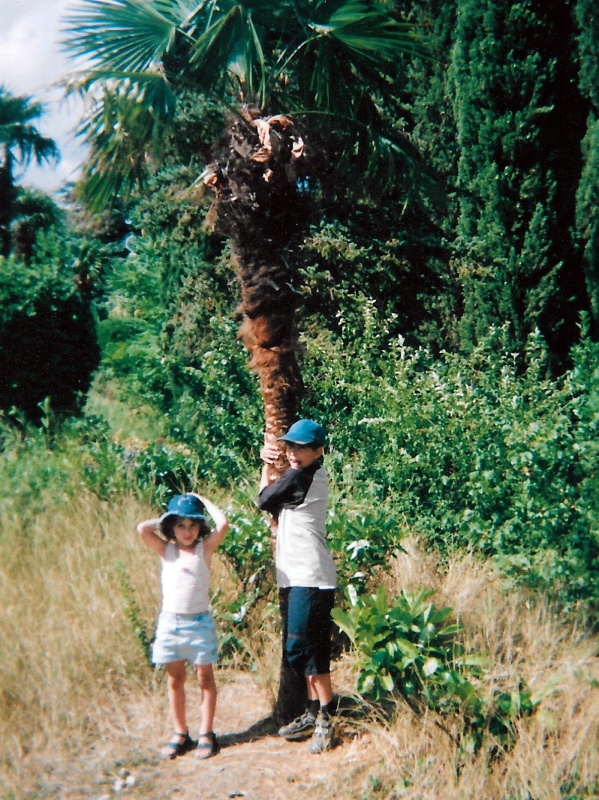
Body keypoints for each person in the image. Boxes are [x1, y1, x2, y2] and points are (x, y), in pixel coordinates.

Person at [257, 419, 337, 754]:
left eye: (302, 448)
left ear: (319, 451)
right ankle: (311, 711)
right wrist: (272, 464)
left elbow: (263, 499)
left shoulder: (302, 476)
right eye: (290, 446)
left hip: (311, 576)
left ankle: (327, 718)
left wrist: (266, 464)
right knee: (303, 651)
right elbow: (272, 503)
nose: (294, 453)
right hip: (295, 574)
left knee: (308, 650)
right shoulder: (300, 477)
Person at [137, 492, 228, 760]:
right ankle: (180, 733)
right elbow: (142, 529)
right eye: (180, 525)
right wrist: (168, 518)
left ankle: (206, 733)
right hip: (170, 622)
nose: (187, 532)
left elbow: (222, 524)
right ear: (170, 528)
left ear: (200, 527)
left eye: (192, 525)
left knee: (205, 678)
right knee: (175, 679)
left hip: (199, 623)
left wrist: (202, 500)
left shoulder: (204, 549)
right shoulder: (166, 550)